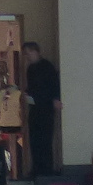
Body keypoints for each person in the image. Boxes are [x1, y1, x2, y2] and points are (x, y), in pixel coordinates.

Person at [22, 41, 61, 176]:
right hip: (34, 107)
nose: (27, 57)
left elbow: (54, 85)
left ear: (36, 52)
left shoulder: (47, 67)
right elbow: (32, 87)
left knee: (45, 139)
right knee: (34, 139)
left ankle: (46, 168)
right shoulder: (30, 69)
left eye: (29, 53)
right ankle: (36, 167)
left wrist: (55, 99)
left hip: (46, 107)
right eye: (26, 54)